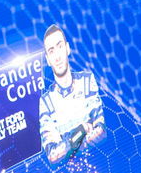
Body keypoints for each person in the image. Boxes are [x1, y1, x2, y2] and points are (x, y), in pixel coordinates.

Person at [39, 23, 105, 165]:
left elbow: (100, 130)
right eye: (51, 51)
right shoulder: (46, 101)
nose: (57, 56)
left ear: (67, 48)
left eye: (60, 46)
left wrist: (67, 145)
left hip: (101, 162)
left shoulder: (87, 80)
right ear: (48, 60)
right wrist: (80, 131)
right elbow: (52, 155)